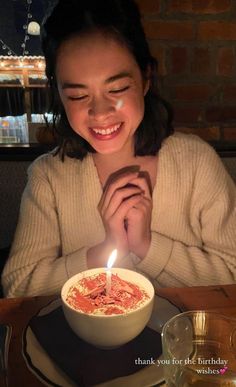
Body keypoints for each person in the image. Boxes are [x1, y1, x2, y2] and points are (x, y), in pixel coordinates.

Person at [2, 0, 236, 297]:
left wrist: (148, 245)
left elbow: (232, 273)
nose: (99, 112)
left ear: (146, 78)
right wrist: (105, 250)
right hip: (83, 343)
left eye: (117, 89)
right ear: (59, 94)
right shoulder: (49, 176)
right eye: (77, 95)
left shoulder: (196, 163)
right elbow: (19, 288)